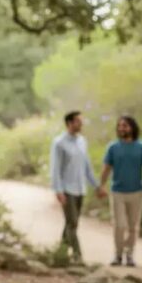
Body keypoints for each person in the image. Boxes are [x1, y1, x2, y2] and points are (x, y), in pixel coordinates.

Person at [98, 116, 142, 267]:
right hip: (117, 191)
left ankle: (129, 255)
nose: (121, 128)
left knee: (133, 226)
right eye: (119, 126)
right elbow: (106, 168)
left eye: (125, 126)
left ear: (132, 127)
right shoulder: (113, 147)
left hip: (137, 191)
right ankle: (118, 255)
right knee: (119, 225)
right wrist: (101, 185)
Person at [50, 111, 103, 262]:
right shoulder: (59, 143)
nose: (81, 124)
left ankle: (60, 254)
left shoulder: (82, 141)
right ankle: (78, 255)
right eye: (78, 121)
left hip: (80, 188)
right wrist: (58, 190)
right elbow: (55, 169)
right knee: (72, 223)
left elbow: (87, 167)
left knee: (71, 223)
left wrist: (97, 186)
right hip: (67, 189)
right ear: (70, 123)